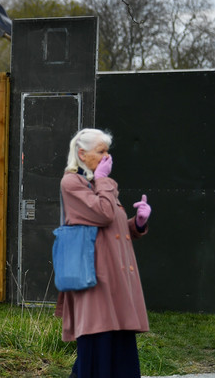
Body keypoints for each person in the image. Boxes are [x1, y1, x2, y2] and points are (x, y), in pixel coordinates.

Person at [55, 128, 153, 378]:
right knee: (97, 346)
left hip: (114, 280)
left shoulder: (96, 183)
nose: (107, 158)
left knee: (120, 347)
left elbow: (112, 226)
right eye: (101, 152)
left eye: (107, 151)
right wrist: (103, 180)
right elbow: (103, 213)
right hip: (94, 279)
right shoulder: (72, 182)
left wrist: (137, 223)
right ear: (82, 154)